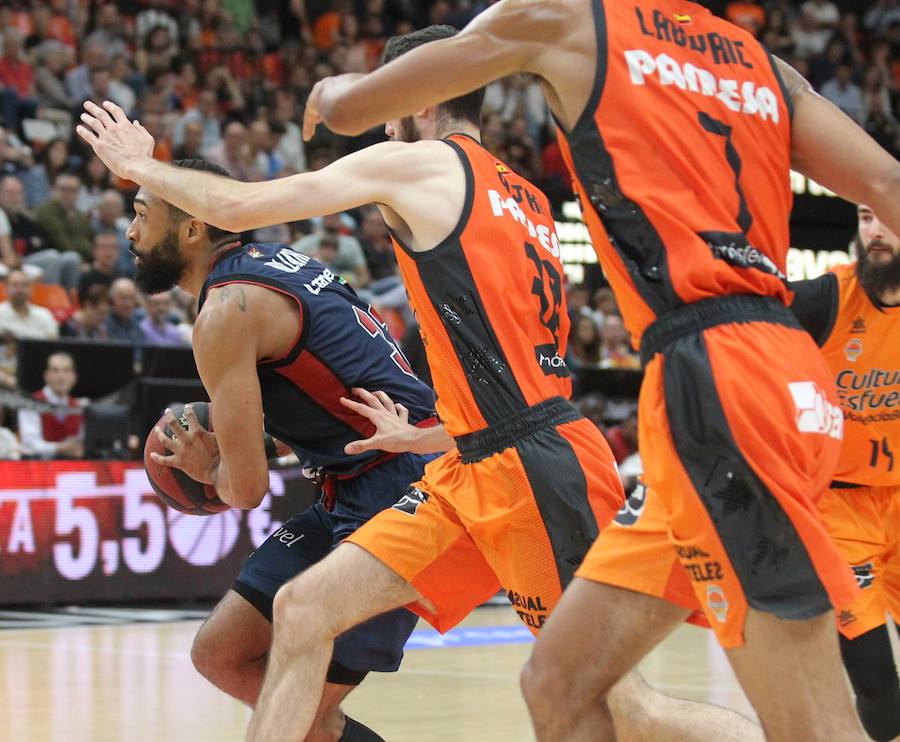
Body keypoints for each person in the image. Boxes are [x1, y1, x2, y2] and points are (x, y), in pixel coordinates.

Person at [79, 26, 763, 742]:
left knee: (623, 707)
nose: (382, 123)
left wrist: (140, 166)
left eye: (391, 102)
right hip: (476, 459)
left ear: (425, 98)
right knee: (303, 610)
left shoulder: (428, 166)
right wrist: (430, 434)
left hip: (532, 472)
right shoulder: (527, 198)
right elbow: (521, 371)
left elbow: (240, 209)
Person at [292, 2, 900, 740]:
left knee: (816, 719)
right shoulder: (757, 62)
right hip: (763, 365)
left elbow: (361, 105)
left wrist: (333, 95)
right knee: (558, 684)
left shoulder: (574, 23)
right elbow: (884, 180)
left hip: (717, 368)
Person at [72, 153, 441, 742]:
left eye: (142, 214)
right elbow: (324, 390)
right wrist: (254, 445)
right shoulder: (274, 264)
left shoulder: (226, 311)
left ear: (193, 228)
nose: (130, 233)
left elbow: (244, 491)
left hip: (407, 488)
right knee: (221, 654)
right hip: (352, 481)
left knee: (300, 712)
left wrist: (209, 467)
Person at [790, 204, 900, 742]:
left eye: (886, 217)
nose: (873, 231)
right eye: (864, 216)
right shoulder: (824, 299)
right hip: (837, 511)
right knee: (878, 686)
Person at [17, 351, 84, 460]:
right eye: (55, 370)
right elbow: (30, 445)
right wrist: (58, 448)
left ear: (74, 376)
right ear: (46, 375)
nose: (61, 376)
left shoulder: (78, 406)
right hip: (39, 466)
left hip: (71, 467)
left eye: (66, 370)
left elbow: (82, 441)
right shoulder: (30, 404)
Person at [0, 268, 58, 340]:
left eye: (25, 285)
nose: (19, 289)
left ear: (31, 289)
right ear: (6, 288)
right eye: (14, 285)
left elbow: (52, 342)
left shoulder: (44, 315)